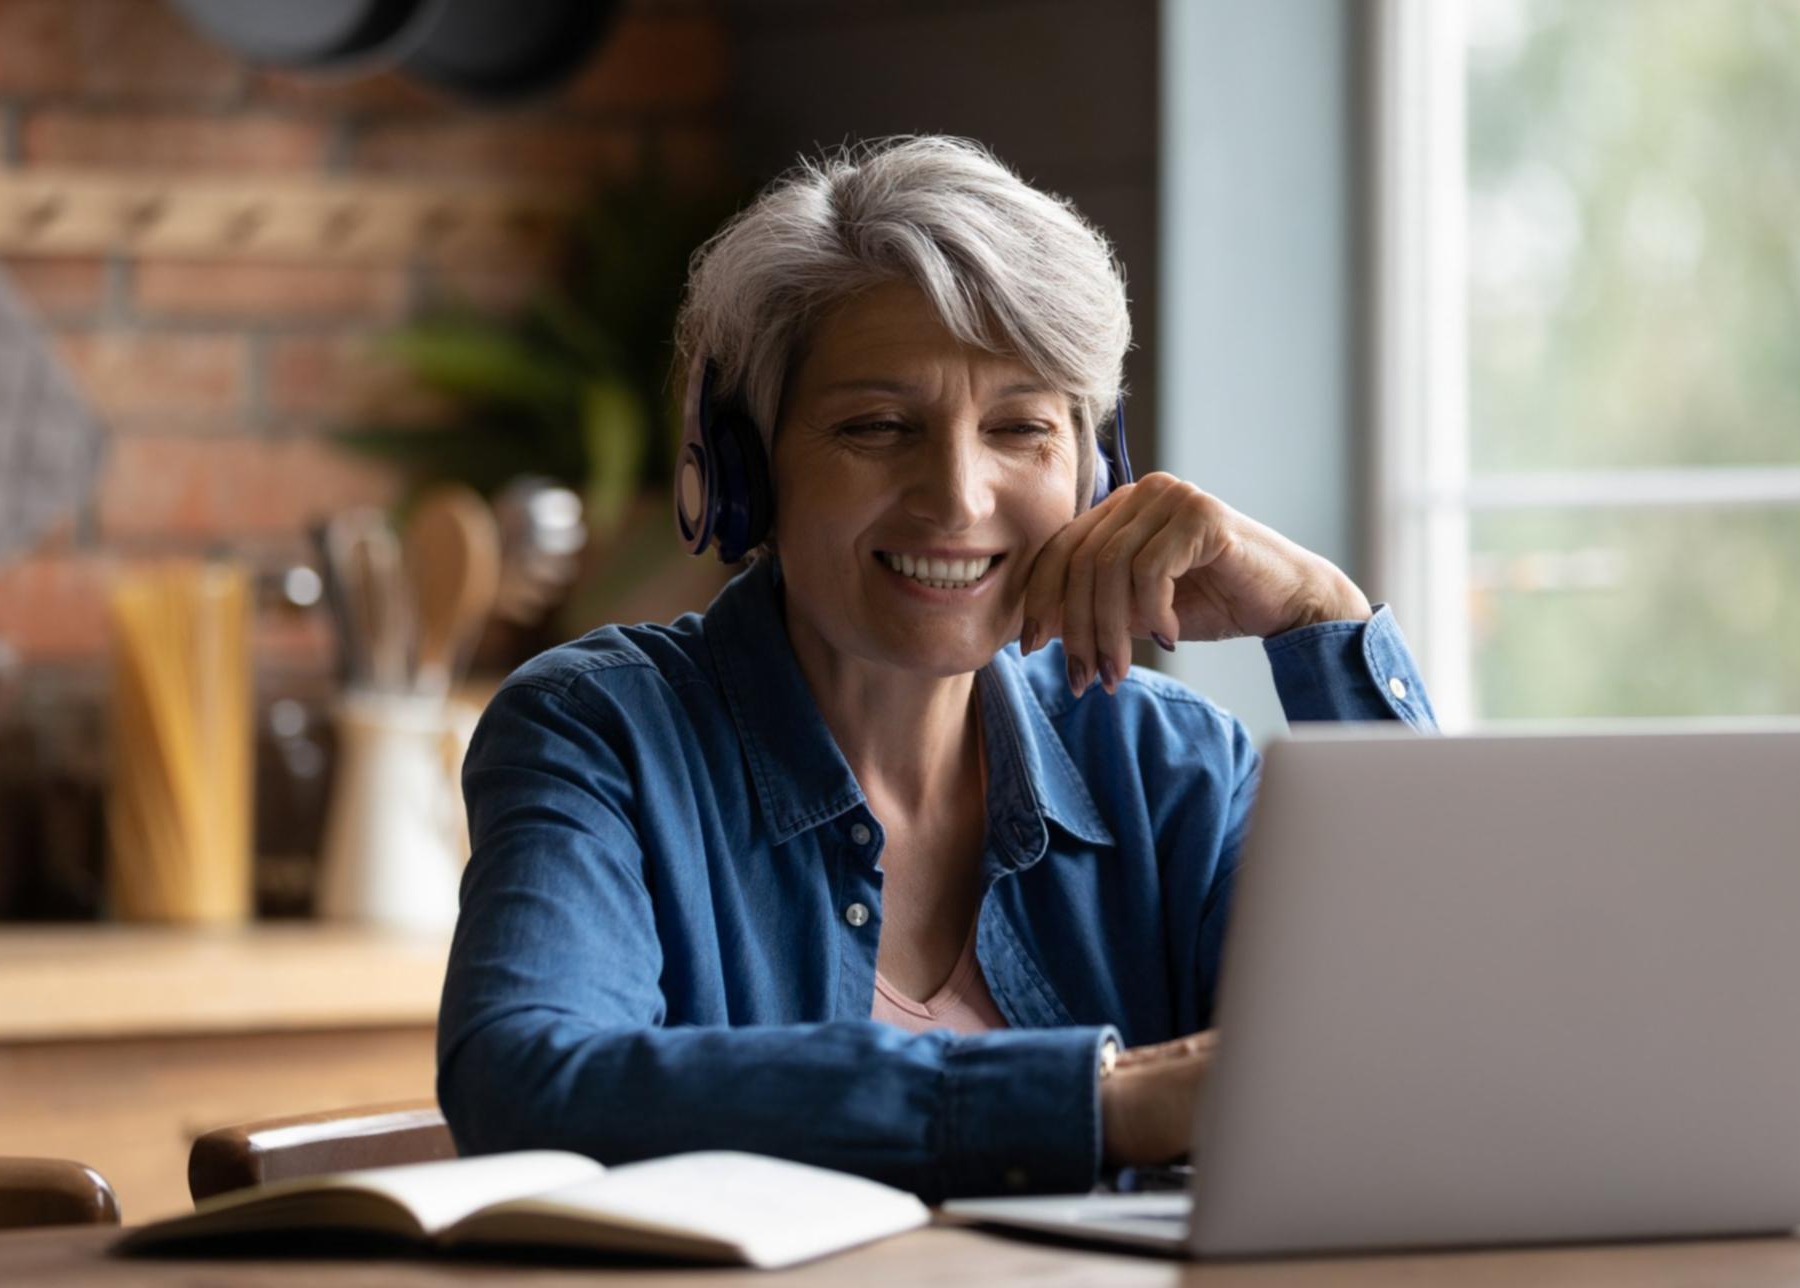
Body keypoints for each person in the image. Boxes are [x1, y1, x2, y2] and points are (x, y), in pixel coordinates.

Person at [438, 135, 1437, 1202]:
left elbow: (1436, 1056)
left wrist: (1320, 622)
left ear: (1098, 475)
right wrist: (1093, 1104)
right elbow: (530, 1078)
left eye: (1021, 428)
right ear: (744, 474)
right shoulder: (599, 730)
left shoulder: (1170, 765)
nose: (958, 497)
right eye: (877, 426)